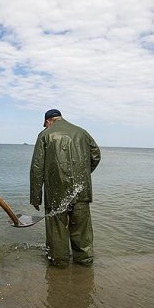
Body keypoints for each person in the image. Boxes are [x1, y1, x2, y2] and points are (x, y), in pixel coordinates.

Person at [30, 109, 101, 267]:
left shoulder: (45, 135)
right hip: (81, 190)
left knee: (57, 230)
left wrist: (36, 197)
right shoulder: (82, 132)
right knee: (82, 230)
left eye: (45, 124)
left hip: (56, 192)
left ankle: (59, 263)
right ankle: (85, 262)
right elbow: (96, 155)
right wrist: (84, 174)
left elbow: (37, 167)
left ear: (48, 121)